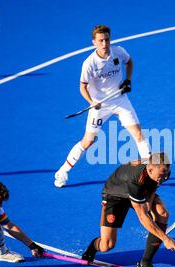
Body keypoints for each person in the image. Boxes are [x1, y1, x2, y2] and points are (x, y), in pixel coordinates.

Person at [54, 25, 151, 188]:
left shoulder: (118, 51)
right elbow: (82, 87)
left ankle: (149, 172)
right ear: (94, 43)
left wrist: (128, 80)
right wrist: (92, 102)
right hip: (99, 106)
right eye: (100, 40)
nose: (104, 43)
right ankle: (62, 172)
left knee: (138, 133)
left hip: (120, 100)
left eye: (106, 39)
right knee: (88, 141)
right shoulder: (89, 64)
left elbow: (129, 62)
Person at [81, 152, 175, 267]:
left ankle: (145, 263)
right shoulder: (137, 179)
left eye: (166, 174)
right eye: (161, 175)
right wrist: (166, 239)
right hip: (115, 194)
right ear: (149, 169)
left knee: (162, 213)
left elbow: (155, 184)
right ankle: (93, 246)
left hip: (139, 191)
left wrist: (149, 201)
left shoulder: (162, 170)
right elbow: (143, 217)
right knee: (107, 245)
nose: (164, 178)